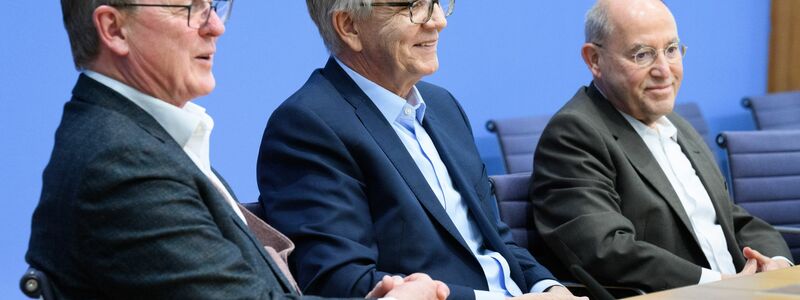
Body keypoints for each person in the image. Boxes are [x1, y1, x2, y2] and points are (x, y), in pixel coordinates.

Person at [26, 1, 449, 299]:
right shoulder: (119, 166)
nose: (215, 26)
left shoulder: (144, 141)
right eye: (187, 7)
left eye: (212, 4)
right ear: (114, 29)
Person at [256, 1, 586, 300]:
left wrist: (548, 287)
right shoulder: (307, 126)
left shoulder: (443, 106)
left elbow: (498, 242)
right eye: (412, 6)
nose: (438, 21)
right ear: (349, 26)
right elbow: (342, 283)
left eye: (438, 2)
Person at [530, 0, 794, 293]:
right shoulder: (574, 134)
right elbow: (606, 249)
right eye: (642, 54)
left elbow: (728, 217)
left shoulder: (676, 124)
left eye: (671, 50)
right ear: (594, 60)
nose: (664, 71)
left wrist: (776, 264)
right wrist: (723, 286)